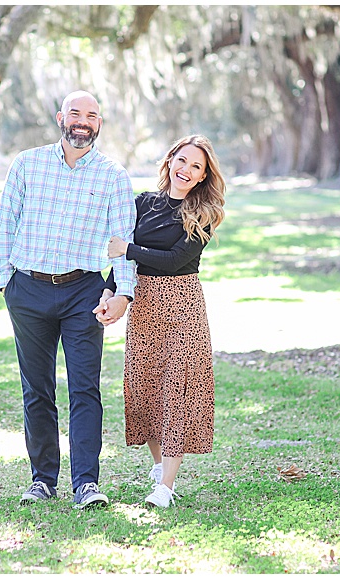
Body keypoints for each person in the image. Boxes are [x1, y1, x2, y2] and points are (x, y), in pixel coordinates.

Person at [0, 90, 137, 509]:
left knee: (85, 388)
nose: (82, 121)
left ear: (100, 124)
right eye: (75, 112)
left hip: (84, 293)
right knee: (36, 389)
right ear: (61, 117)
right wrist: (7, 282)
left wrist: (123, 293)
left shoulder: (112, 175)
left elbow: (121, 241)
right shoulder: (28, 164)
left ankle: (86, 483)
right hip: (28, 289)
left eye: (91, 115)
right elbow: (7, 220)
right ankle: (42, 480)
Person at [94, 134, 226, 508]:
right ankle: (159, 470)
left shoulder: (203, 214)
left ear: (203, 176)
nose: (186, 170)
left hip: (182, 305)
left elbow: (173, 260)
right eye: (182, 161)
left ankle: (165, 487)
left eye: (196, 166)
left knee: (177, 391)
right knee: (145, 389)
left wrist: (128, 249)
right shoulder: (141, 204)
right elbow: (125, 263)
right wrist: (109, 291)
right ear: (169, 161)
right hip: (144, 304)